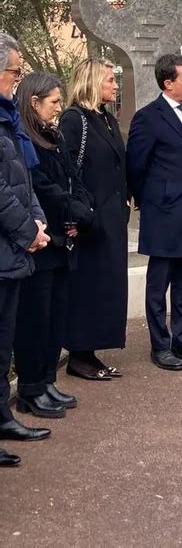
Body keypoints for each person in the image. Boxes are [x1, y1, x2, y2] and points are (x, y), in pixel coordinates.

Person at [14, 72, 94, 417]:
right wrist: (74, 207)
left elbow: (73, 179)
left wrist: (85, 207)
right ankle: (31, 388)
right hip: (42, 241)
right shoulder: (25, 140)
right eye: (54, 103)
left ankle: (47, 380)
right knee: (36, 320)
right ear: (34, 103)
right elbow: (42, 187)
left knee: (55, 318)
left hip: (65, 239)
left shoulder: (54, 137)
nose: (59, 108)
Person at [127, 54, 182, 371]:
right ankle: (160, 345)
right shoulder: (148, 117)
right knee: (158, 284)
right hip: (163, 213)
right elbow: (136, 165)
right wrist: (151, 199)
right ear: (168, 82)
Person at [59, 59, 128, 380]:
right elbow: (65, 170)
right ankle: (79, 354)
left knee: (105, 288)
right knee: (86, 287)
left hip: (110, 219)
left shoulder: (107, 120)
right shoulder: (75, 119)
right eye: (110, 80)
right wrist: (78, 212)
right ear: (92, 81)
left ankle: (91, 351)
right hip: (87, 220)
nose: (115, 86)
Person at [0, 33, 51, 467]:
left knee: (3, 345)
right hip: (7, 245)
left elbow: (24, 182)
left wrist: (38, 221)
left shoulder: (7, 121)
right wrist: (26, 231)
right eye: (15, 71)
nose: (18, 79)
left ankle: (2, 416)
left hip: (12, 250)